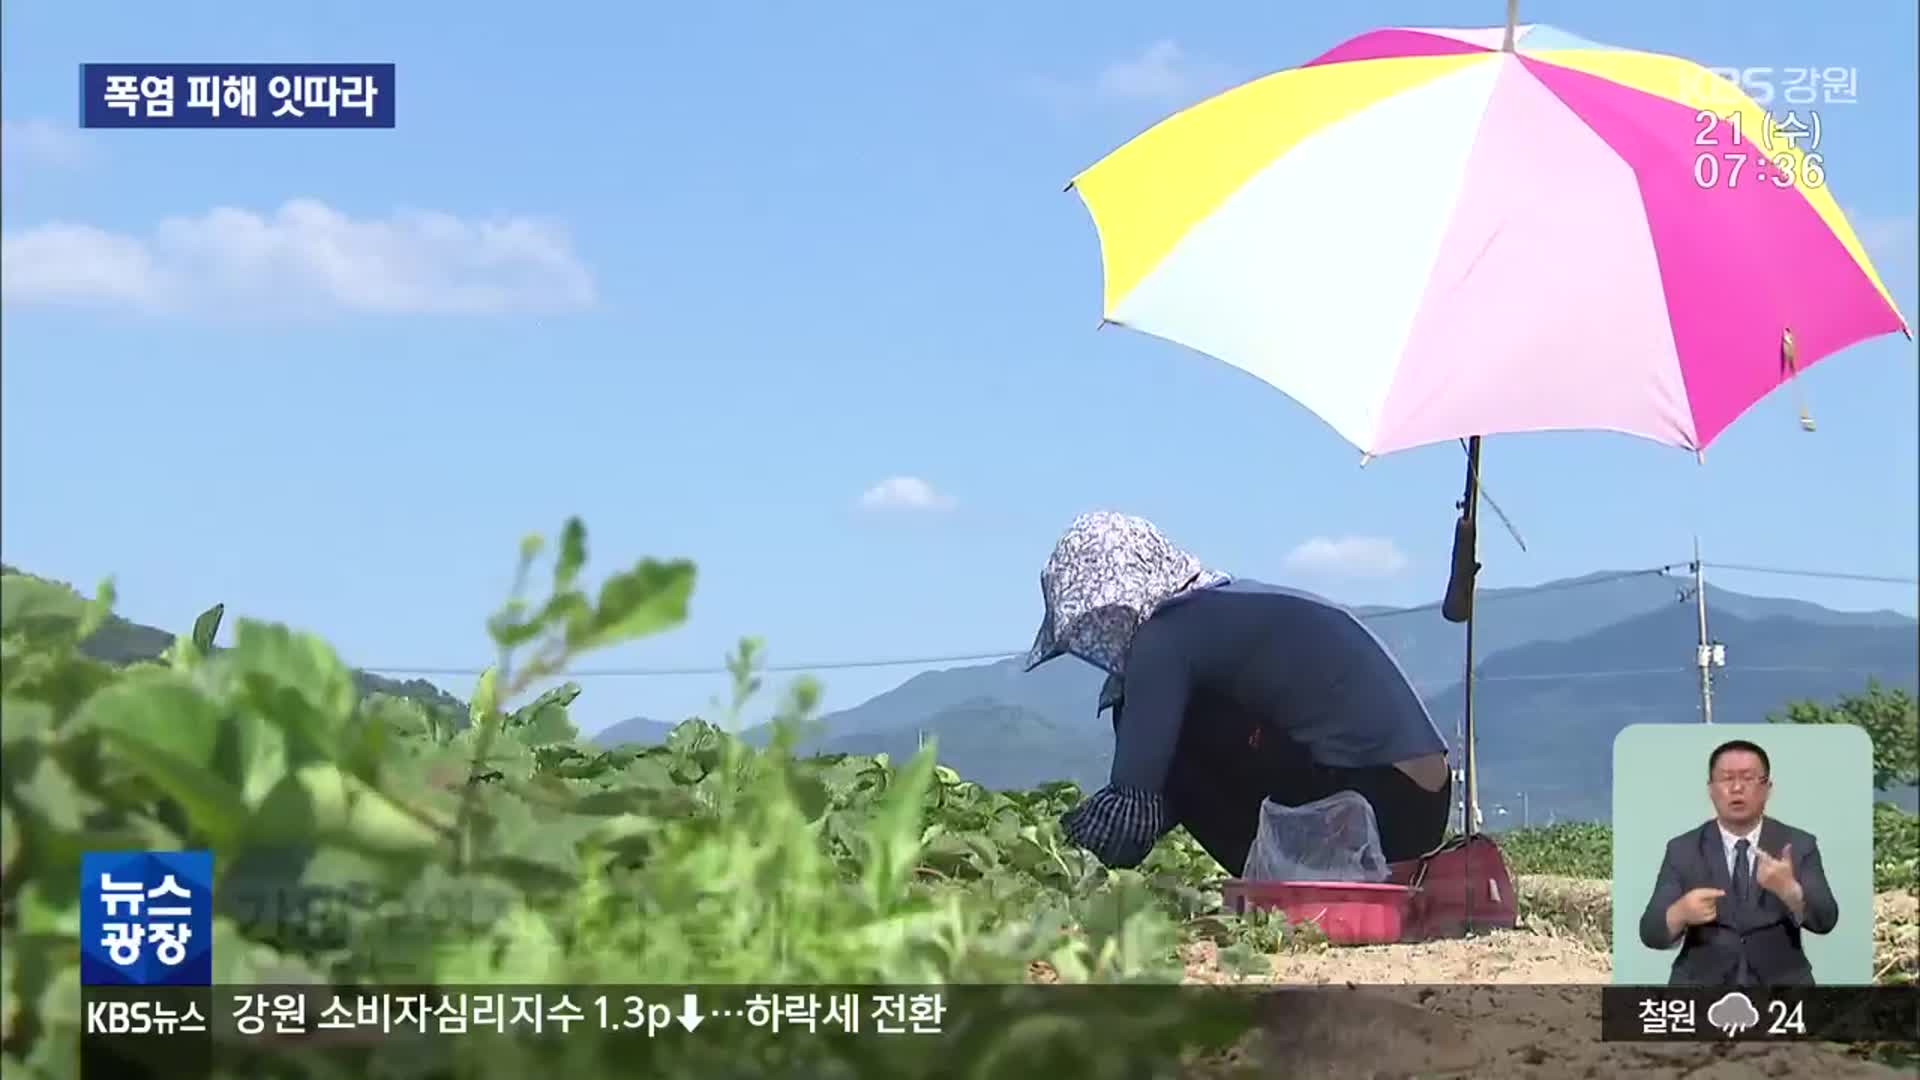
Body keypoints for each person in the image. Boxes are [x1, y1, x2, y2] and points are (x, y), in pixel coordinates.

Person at [1022, 511, 1453, 875]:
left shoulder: (1164, 636)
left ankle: (1266, 876)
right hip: (1423, 810)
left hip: (1370, 811)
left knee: (1137, 711)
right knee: (1169, 723)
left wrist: (1052, 857)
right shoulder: (1224, 608)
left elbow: (1135, 803)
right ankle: (1276, 863)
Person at [1637, 739, 1839, 986]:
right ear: (1711, 789)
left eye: (1748, 778)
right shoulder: (1682, 849)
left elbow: (1826, 920)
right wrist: (1680, 913)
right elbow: (1650, 931)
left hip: (1782, 990)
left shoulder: (1799, 844)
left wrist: (1791, 892)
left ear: (1767, 788)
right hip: (1700, 990)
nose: (1736, 788)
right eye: (1726, 778)